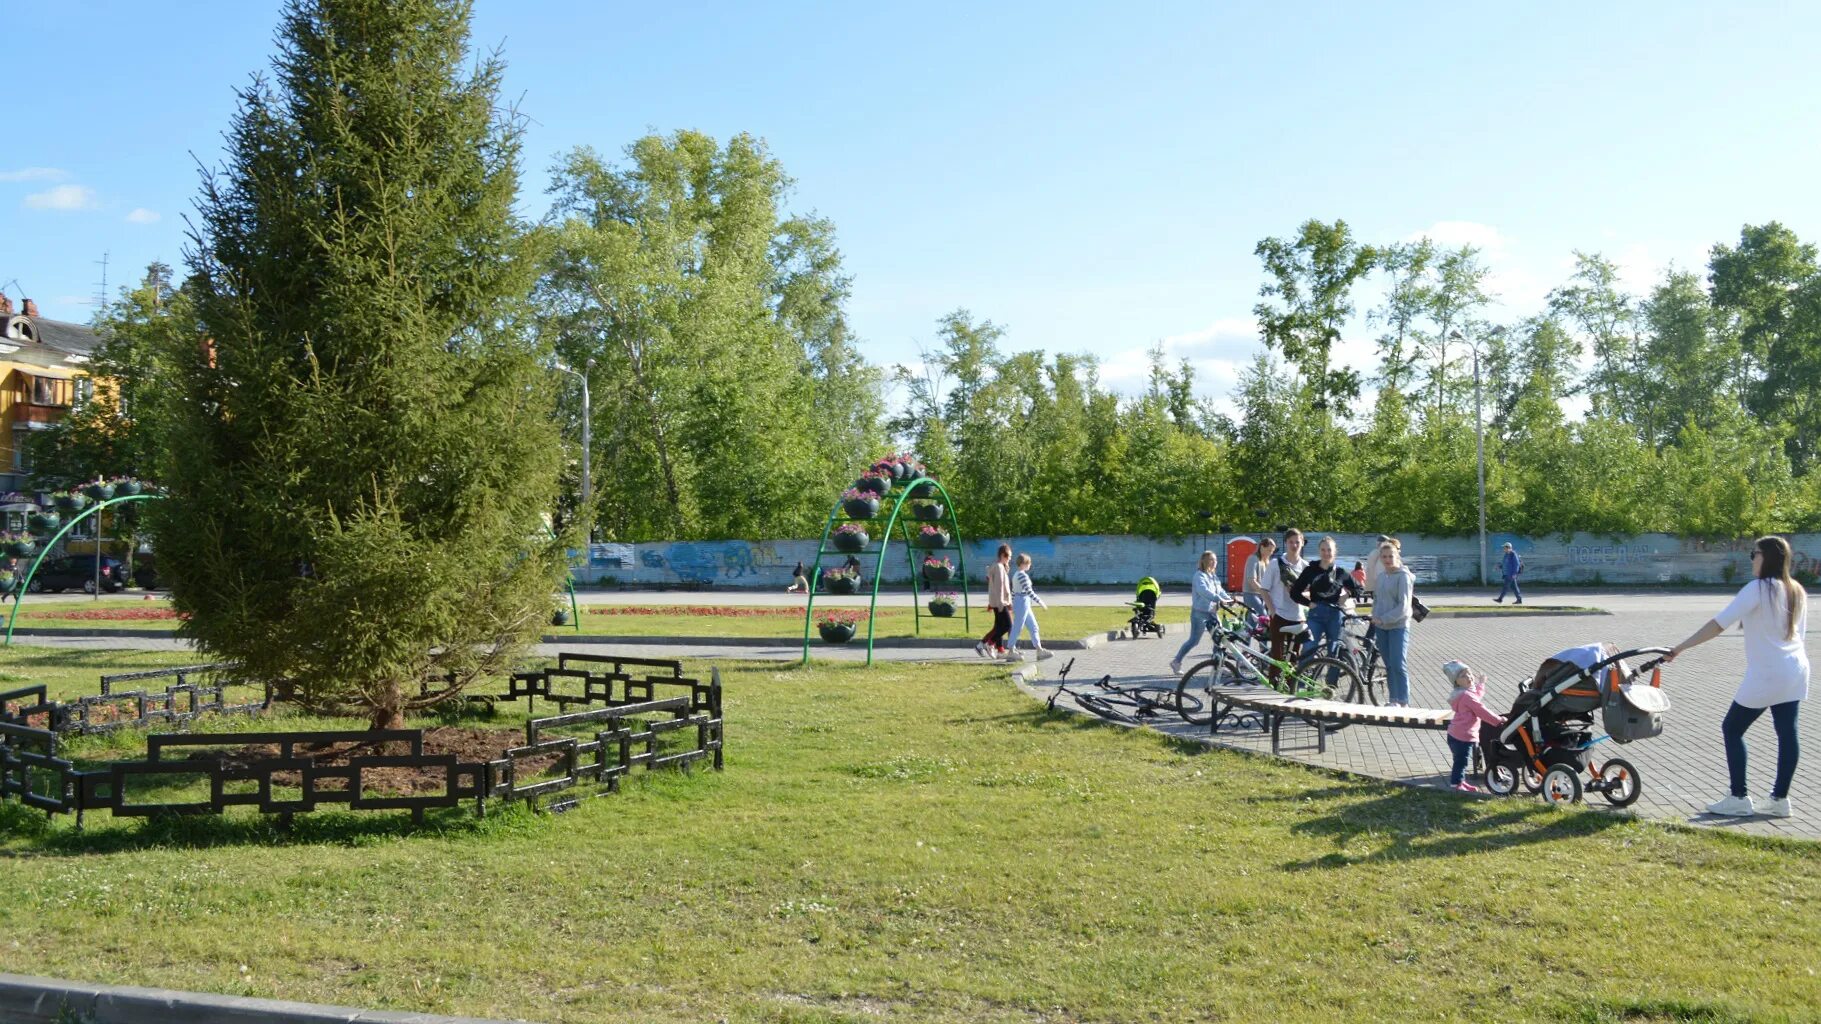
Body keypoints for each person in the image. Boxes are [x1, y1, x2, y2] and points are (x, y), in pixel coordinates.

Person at [1665, 535, 1807, 819]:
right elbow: (1797, 635)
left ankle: (1739, 796)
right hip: (1796, 669)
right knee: (1787, 733)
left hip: (1767, 673)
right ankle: (1780, 800)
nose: (1751, 559)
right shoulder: (1796, 590)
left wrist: (1680, 648)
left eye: (1754, 554)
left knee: (1732, 728)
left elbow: (1718, 625)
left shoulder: (1758, 588)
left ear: (1766, 556)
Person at [1288, 535, 1365, 665]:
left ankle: (1331, 684)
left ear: (1334, 551)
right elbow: (1294, 592)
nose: (1326, 553)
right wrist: (1308, 603)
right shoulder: (1310, 570)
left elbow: (1359, 588)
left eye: (1329, 550)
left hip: (1335, 615)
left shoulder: (1341, 572)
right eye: (1323, 550)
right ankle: (1301, 684)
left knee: (1334, 653)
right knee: (1308, 649)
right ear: (1319, 551)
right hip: (1316, 614)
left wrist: (1346, 596)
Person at [1442, 660, 1504, 793]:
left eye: (1469, 673)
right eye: (1463, 676)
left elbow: (1477, 695)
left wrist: (1481, 683)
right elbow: (1481, 710)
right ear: (1456, 682)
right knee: (1461, 762)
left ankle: (1460, 781)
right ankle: (1456, 785)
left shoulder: (1465, 693)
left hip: (1456, 734)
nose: (1469, 677)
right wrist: (1498, 720)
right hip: (1462, 736)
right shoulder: (1467, 696)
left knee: (1460, 761)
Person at [1258, 529, 1310, 682]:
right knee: (1277, 657)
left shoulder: (1306, 567)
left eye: (1297, 542)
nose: (1294, 545)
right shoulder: (1276, 564)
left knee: (1294, 658)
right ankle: (1275, 693)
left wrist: (1298, 593)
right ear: (1286, 543)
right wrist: (1272, 611)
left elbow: (1310, 593)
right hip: (1279, 616)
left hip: (1298, 617)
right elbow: (1263, 589)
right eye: (1291, 542)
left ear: (1302, 544)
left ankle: (1289, 689)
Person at [1371, 541, 1416, 706]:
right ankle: (1393, 700)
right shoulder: (1382, 576)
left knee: (1398, 663)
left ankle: (1403, 701)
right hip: (1381, 628)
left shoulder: (1403, 576)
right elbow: (1377, 600)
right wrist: (1375, 616)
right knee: (1389, 665)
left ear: (1397, 556)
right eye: (1384, 556)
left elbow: (1403, 606)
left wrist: (1384, 618)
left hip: (1398, 626)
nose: (1387, 559)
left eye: (1391, 556)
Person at [1170, 550, 1227, 675]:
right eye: (1211, 560)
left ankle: (1218, 665)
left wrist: (1229, 599)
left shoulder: (1213, 576)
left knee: (1219, 639)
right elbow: (1203, 591)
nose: (1214, 562)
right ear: (1204, 561)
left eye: (1215, 560)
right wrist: (1219, 599)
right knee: (1194, 641)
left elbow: (1220, 590)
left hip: (1212, 612)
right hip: (1199, 613)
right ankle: (1176, 661)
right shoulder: (1199, 576)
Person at [976, 543, 1014, 658]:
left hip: (998, 602)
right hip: (1000, 603)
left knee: (998, 627)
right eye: (1009, 557)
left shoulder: (999, 567)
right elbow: (999, 587)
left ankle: (985, 645)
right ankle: (990, 643)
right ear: (1003, 555)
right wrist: (1003, 603)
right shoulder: (998, 567)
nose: (1010, 559)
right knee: (1008, 625)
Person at [1008, 552, 1048, 659]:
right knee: (1018, 627)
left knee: (1033, 626)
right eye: (1029, 563)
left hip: (1022, 601)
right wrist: (1041, 602)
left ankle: (1039, 650)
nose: (1030, 565)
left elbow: (1013, 591)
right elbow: (1029, 592)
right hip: (1022, 601)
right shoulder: (1022, 575)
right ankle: (1011, 650)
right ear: (1024, 563)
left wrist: (1012, 604)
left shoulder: (1016, 574)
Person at [1241, 537, 1275, 618]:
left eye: (1272, 551)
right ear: (1262, 547)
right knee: (1263, 616)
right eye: (1269, 550)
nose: (1271, 553)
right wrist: (1265, 593)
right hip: (1251, 594)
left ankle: (1249, 631)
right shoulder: (1253, 559)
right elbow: (1252, 580)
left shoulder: (1265, 561)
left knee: (1253, 620)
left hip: (1261, 594)